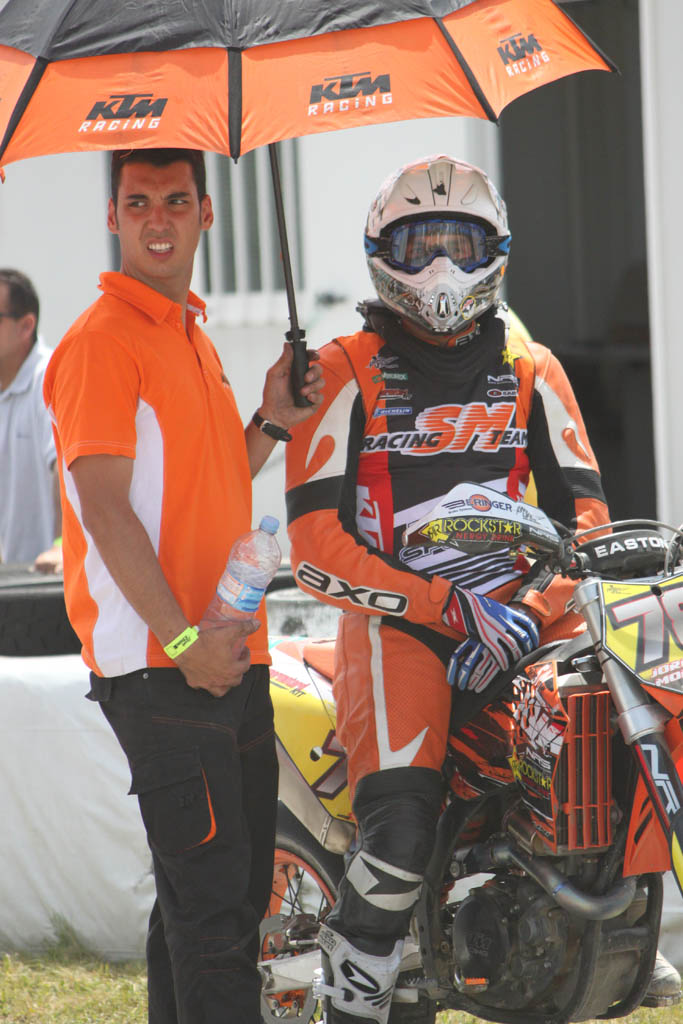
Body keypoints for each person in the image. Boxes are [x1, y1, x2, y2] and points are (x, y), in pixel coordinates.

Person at [284, 154, 680, 1021]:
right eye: (417, 245)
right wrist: (448, 608)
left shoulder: (532, 366)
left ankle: (606, 915)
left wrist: (530, 611)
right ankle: (355, 995)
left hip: (521, 614)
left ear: (493, 251)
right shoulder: (339, 370)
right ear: (379, 254)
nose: (438, 268)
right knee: (399, 832)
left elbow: (587, 526)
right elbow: (313, 548)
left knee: (622, 732)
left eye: (458, 246)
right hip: (399, 625)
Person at [43, 147, 324, 1024]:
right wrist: (182, 641)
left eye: (174, 200)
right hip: (165, 667)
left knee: (209, 905)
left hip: (224, 654)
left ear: (206, 212)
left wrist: (272, 418)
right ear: (112, 218)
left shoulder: (188, 331)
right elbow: (104, 509)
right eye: (138, 203)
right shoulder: (101, 342)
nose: (156, 220)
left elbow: (209, 483)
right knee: (214, 920)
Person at [0, 268, 62, 571]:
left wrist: (62, 546)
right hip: (12, 582)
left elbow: (65, 471)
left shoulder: (50, 378)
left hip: (51, 581)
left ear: (26, 326)